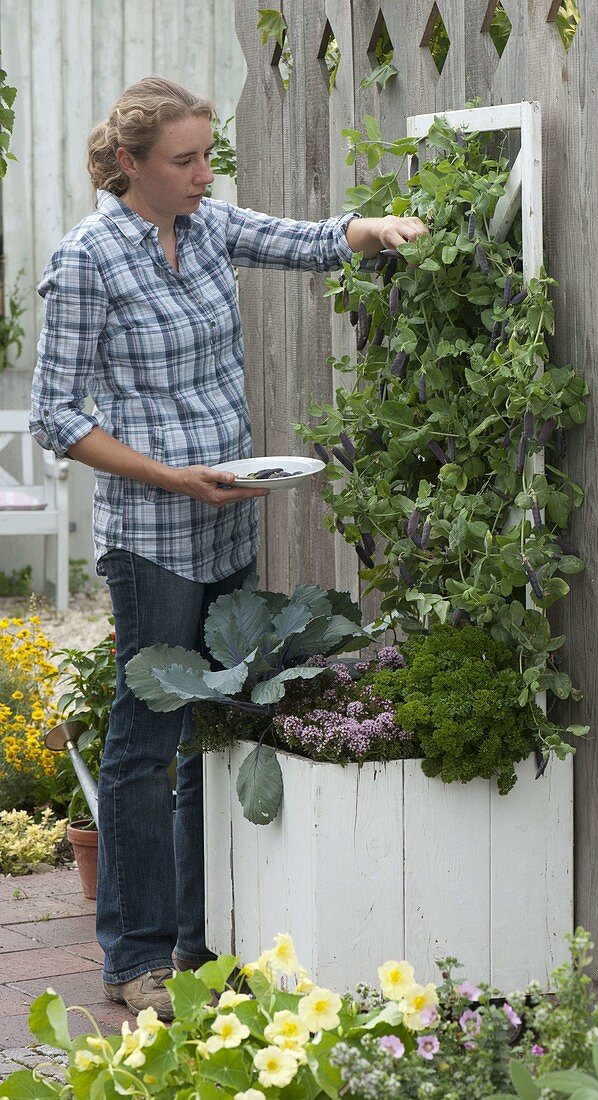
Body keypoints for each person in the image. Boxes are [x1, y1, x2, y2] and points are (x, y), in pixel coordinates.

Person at [29, 77, 428, 1019]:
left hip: (230, 522)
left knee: (212, 731)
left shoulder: (206, 226)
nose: (205, 174)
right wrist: (174, 477)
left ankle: (201, 939)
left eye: (209, 155)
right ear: (130, 164)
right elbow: (57, 417)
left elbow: (304, 240)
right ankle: (134, 958)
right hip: (157, 536)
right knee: (146, 743)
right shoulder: (89, 259)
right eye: (185, 160)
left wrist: (383, 228)